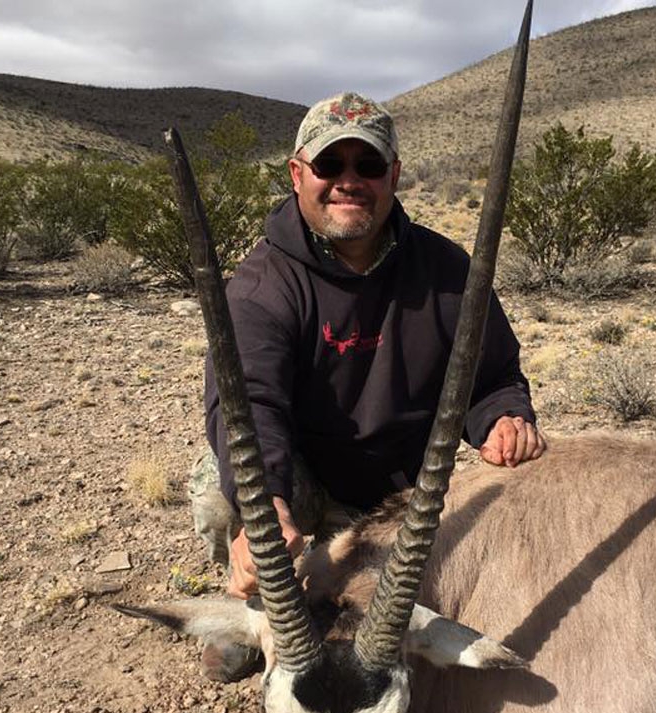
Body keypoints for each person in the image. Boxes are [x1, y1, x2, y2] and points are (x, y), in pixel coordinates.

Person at [189, 91, 546, 680]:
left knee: (524, 479)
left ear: (394, 176)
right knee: (218, 483)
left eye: (369, 166)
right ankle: (261, 607)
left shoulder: (450, 271)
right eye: (331, 166)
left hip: (409, 494)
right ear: (298, 174)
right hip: (306, 494)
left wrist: (503, 418)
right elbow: (249, 403)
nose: (349, 181)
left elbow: (495, 377)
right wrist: (269, 506)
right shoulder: (262, 284)